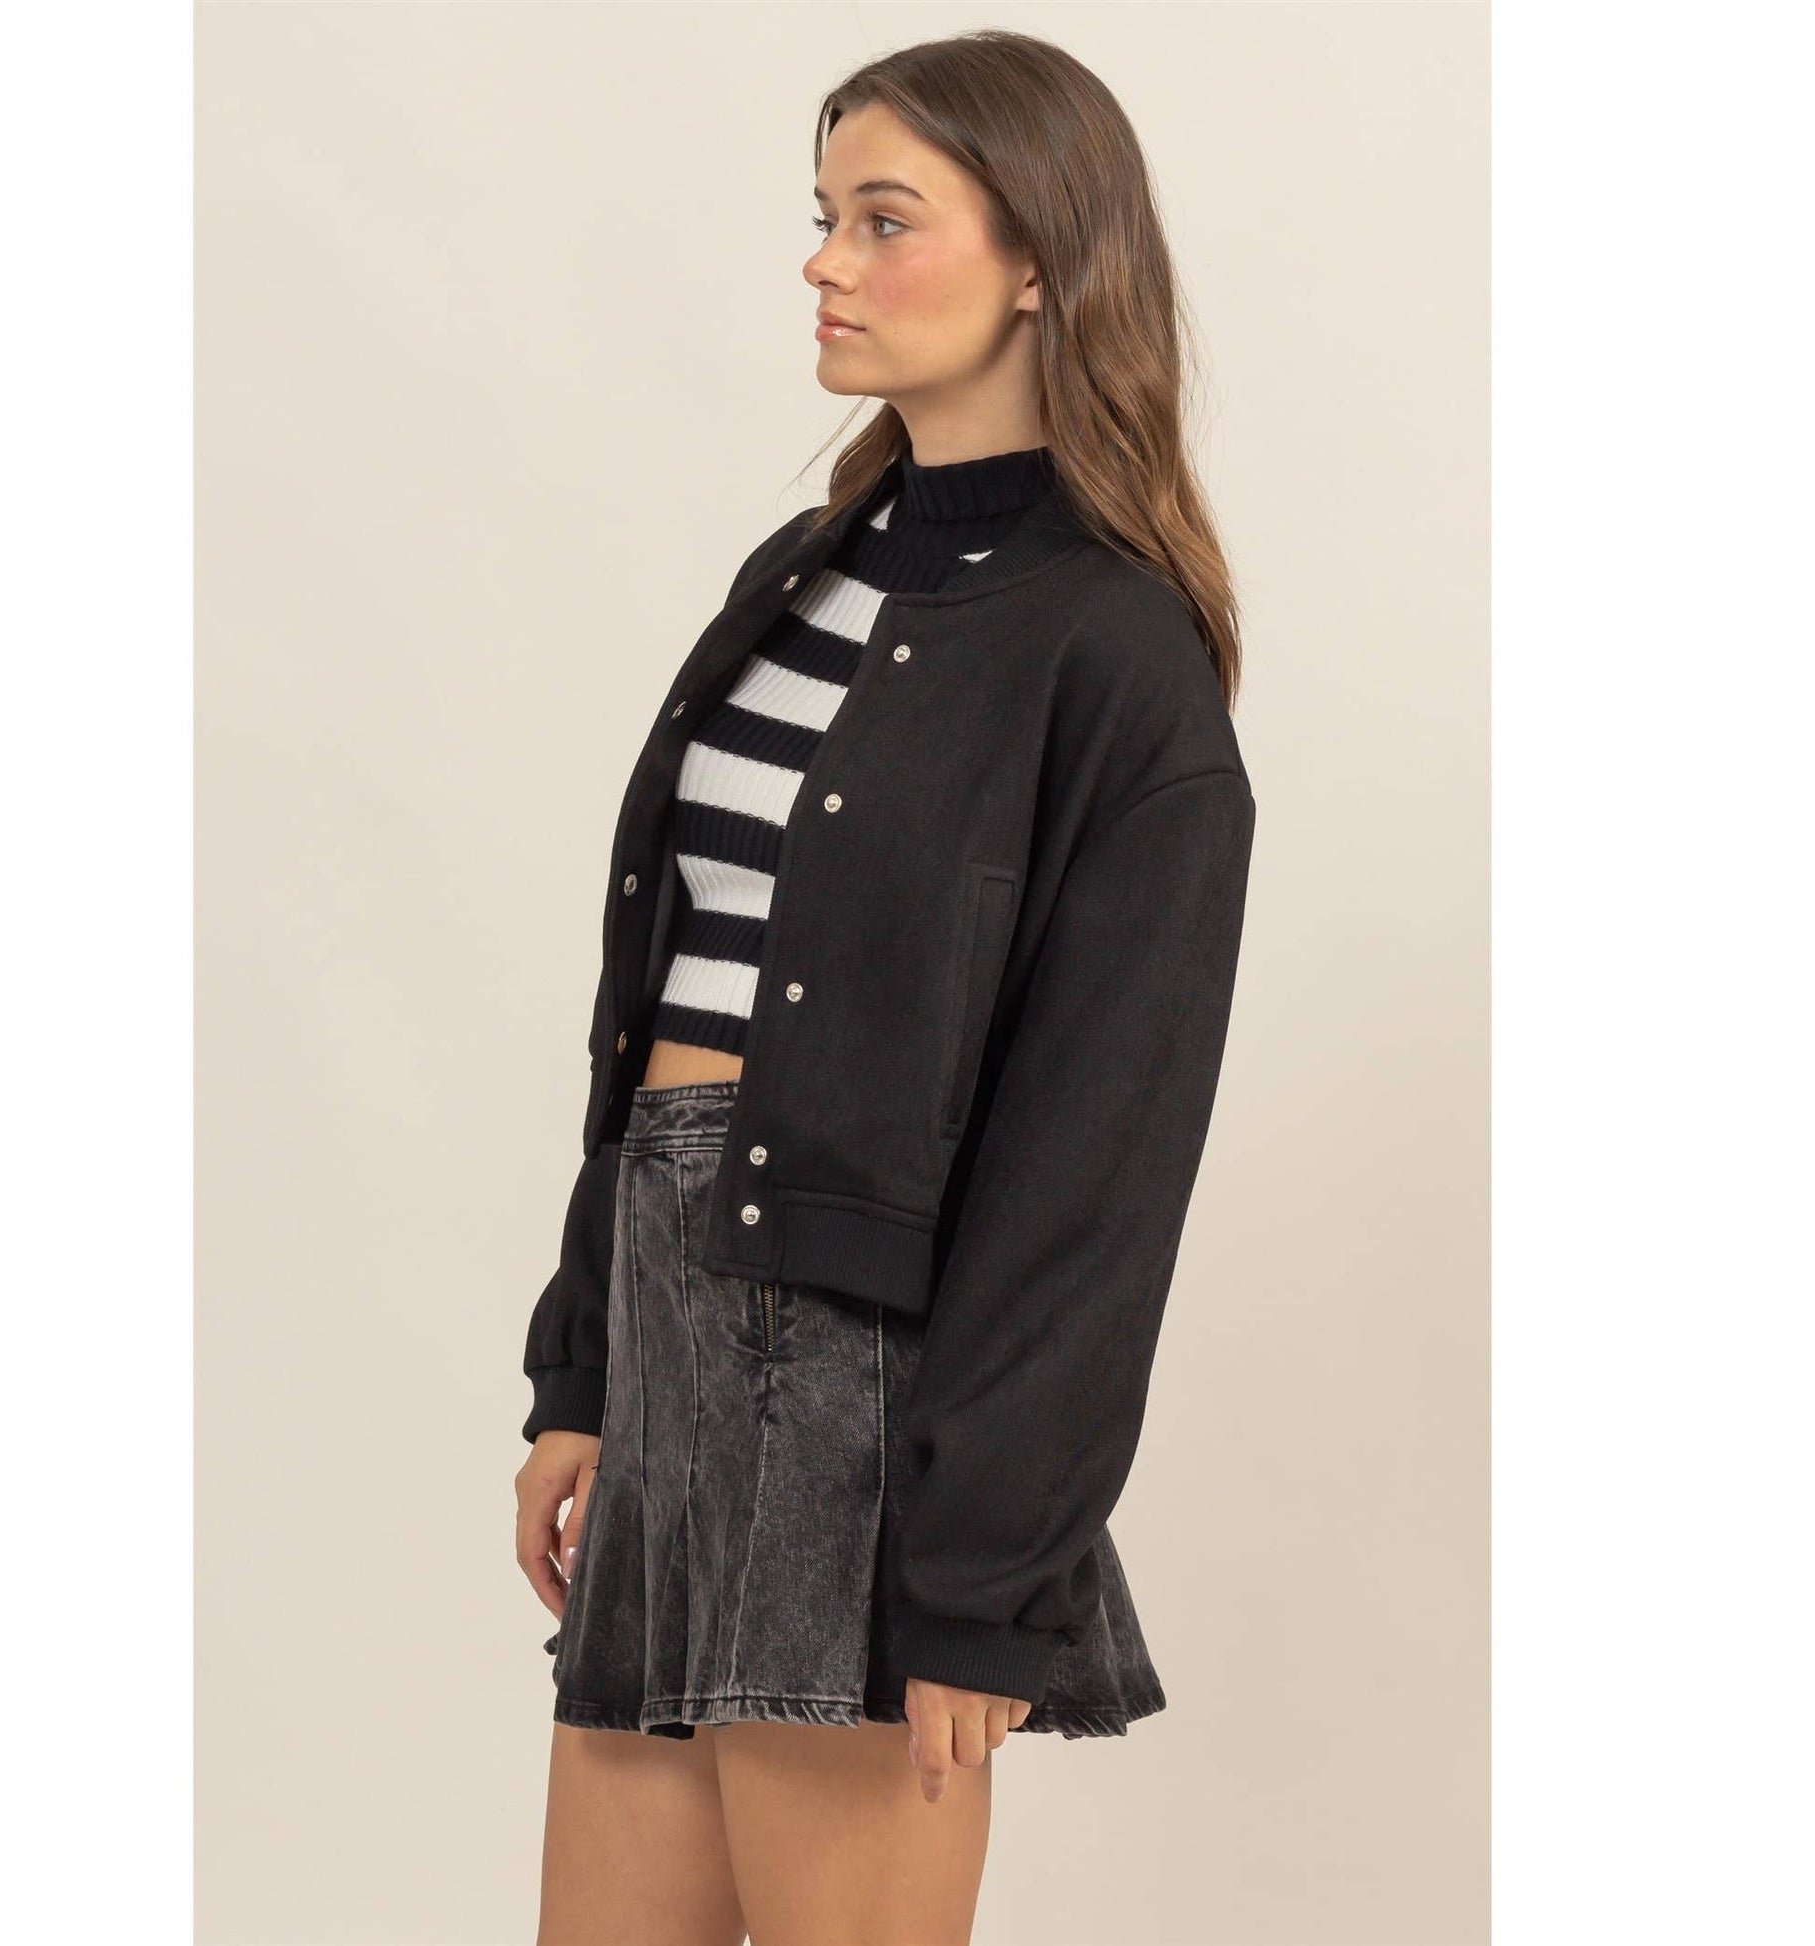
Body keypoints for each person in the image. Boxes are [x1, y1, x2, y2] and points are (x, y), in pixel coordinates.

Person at [513, 29, 1255, 1946]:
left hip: (861, 1397)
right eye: (823, 216)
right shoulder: (802, 572)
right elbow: (655, 1007)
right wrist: (587, 1369)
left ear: (1041, 261)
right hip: (672, 1339)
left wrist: (984, 1566)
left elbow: (1096, 1163)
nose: (825, 262)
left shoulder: (1112, 655)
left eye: (883, 219)